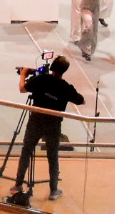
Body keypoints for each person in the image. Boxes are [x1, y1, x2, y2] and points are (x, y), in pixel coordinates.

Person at [10, 55, 84, 200]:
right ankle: (53, 191)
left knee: (26, 150)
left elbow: (22, 89)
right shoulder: (66, 87)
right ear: (64, 71)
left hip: (36, 120)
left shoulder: (40, 80)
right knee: (52, 155)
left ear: (52, 67)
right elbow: (80, 100)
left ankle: (18, 184)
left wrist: (24, 74)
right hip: (53, 124)